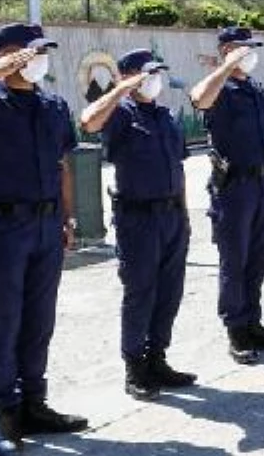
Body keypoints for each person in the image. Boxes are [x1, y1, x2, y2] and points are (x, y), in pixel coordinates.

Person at [80, 49, 197, 401]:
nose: (155, 80)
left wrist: (185, 216)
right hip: (138, 219)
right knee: (140, 294)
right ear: (129, 76)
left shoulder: (164, 115)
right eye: (147, 73)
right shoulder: (119, 114)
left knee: (169, 293)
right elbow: (89, 121)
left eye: (157, 72)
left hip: (173, 216)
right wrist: (119, 89)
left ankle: (157, 358)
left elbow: (179, 167)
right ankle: (135, 367)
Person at [0, 23, 88, 449]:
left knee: (39, 320)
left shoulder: (52, 105)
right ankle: (5, 412)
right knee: (3, 320)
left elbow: (62, 165)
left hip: (47, 226)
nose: (40, 60)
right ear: (10, 54)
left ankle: (35, 403)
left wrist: (68, 219)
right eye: (33, 52)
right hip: (3, 227)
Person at [190, 26, 264, 364]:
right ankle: (236, 329)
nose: (249, 55)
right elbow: (198, 98)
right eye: (242, 49)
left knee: (257, 258)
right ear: (227, 51)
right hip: (234, 188)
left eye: (250, 49)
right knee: (234, 261)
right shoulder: (221, 88)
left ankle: (253, 321)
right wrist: (223, 67)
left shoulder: (254, 88)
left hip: (262, 184)